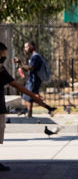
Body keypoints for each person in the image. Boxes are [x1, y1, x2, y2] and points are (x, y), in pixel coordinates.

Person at [0, 42, 55, 170]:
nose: (4, 57)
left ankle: (33, 114)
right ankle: (31, 114)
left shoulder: (35, 57)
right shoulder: (1, 69)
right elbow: (17, 85)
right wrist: (34, 95)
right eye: (3, 54)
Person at [17, 41, 53, 118]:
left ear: (32, 46)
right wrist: (21, 65)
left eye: (27, 46)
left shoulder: (35, 57)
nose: (25, 49)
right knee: (32, 97)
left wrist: (20, 63)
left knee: (30, 96)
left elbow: (31, 68)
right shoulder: (33, 56)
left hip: (34, 81)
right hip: (32, 80)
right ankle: (50, 108)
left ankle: (29, 115)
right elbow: (28, 69)